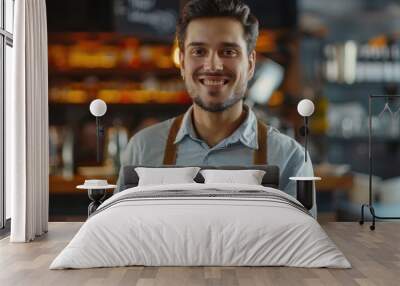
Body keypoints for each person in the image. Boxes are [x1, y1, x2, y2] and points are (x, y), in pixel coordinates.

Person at [115, 0, 316, 217]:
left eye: (228, 51)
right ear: (182, 62)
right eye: (199, 51)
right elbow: (123, 238)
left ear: (250, 64)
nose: (213, 65)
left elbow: (299, 247)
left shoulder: (290, 158)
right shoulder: (143, 149)